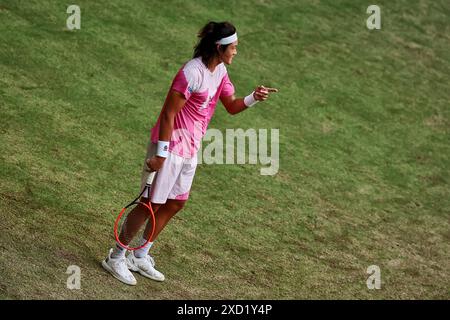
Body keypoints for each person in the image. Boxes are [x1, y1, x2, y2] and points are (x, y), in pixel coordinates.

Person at [102, 21, 278, 285]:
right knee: (150, 204)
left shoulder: (219, 73)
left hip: (190, 149)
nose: (236, 52)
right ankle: (116, 257)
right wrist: (160, 154)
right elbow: (168, 114)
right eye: (234, 48)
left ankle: (140, 254)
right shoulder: (191, 73)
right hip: (170, 146)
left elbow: (230, 105)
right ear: (220, 47)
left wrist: (254, 96)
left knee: (175, 203)